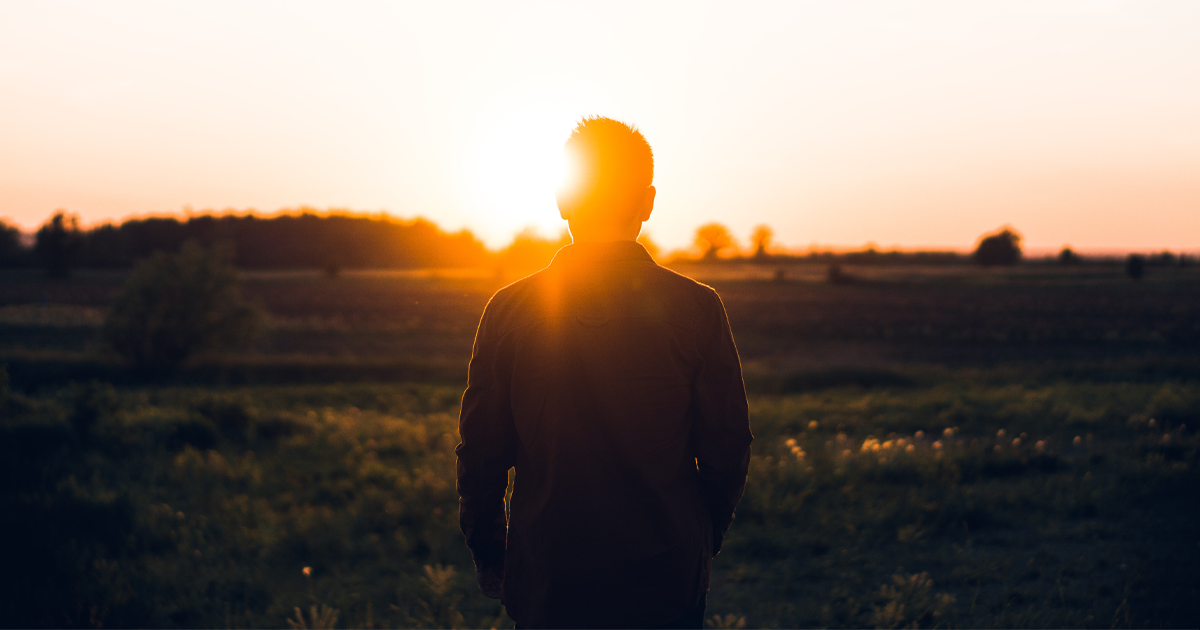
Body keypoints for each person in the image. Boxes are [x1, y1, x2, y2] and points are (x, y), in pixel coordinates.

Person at [456, 116, 753, 629]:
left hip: (550, 583)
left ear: (563, 200)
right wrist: (700, 541)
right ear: (648, 201)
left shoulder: (508, 311)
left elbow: (480, 455)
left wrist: (492, 557)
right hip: (666, 584)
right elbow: (727, 449)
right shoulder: (698, 310)